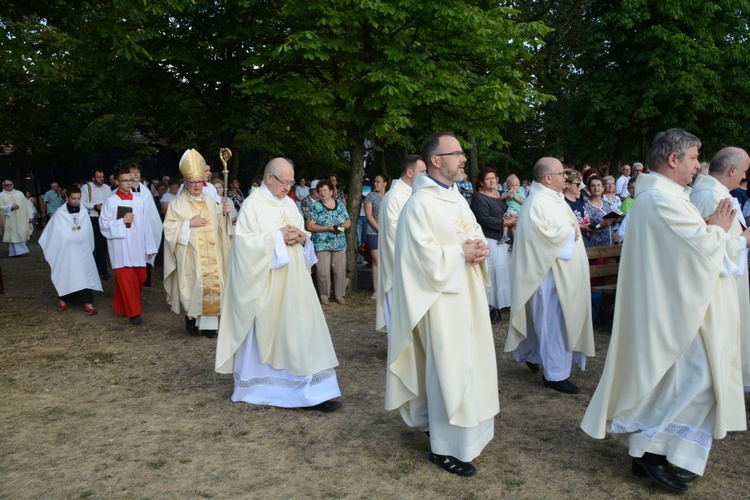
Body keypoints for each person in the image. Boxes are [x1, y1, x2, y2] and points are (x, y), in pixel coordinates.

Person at [581, 129, 750, 493]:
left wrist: (713, 231)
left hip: (678, 303)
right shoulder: (661, 198)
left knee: (680, 382)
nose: (697, 167)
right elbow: (702, 249)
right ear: (673, 159)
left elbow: (689, 244)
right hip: (675, 309)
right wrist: (721, 231)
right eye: (692, 159)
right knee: (699, 380)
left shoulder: (667, 195)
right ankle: (652, 452)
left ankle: (650, 449)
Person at [385, 132, 498, 477]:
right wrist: (459, 254)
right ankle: (444, 448)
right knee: (448, 370)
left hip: (467, 295)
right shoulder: (419, 204)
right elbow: (417, 257)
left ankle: (468, 434)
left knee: (470, 366)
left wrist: (478, 249)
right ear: (436, 160)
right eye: (457, 154)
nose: (464, 159)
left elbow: (470, 231)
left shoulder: (456, 198)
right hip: (440, 301)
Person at [214, 157, 342, 412]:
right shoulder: (253, 205)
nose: (288, 187)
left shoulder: (290, 203)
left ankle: (312, 391)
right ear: (269, 178)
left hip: (296, 285)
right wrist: (277, 238)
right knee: (277, 334)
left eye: (292, 182)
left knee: (303, 331)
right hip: (268, 286)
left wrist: (302, 238)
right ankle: (268, 388)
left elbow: (304, 237)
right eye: (285, 182)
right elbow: (244, 245)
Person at [506, 157, 595, 394]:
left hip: (563, 274)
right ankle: (555, 375)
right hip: (548, 276)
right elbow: (539, 237)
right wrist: (567, 233)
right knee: (553, 324)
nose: (565, 178)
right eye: (561, 174)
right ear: (548, 178)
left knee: (550, 323)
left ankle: (533, 355)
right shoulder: (536, 202)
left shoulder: (553, 199)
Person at [691, 146, 750, 392]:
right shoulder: (708, 197)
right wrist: (746, 239)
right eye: (744, 171)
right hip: (716, 288)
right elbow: (707, 249)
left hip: (731, 280)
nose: (744, 177)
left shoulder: (718, 193)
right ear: (733, 170)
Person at [164, 149, 233, 339]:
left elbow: (221, 227)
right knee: (195, 288)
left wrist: (225, 214)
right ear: (185, 183)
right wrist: (188, 224)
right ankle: (192, 320)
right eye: (192, 182)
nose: (196, 186)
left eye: (199, 182)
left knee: (213, 286)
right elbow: (169, 230)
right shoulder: (176, 205)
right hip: (191, 256)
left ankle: (210, 327)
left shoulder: (211, 202)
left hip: (212, 255)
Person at [99, 167, 158, 326]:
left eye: (130, 180)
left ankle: (120, 307)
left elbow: (146, 225)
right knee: (127, 281)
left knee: (140, 278)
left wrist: (150, 247)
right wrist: (121, 222)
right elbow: (103, 225)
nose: (128, 183)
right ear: (117, 182)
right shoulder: (110, 201)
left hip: (138, 246)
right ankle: (134, 314)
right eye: (125, 180)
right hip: (121, 247)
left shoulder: (138, 201)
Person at [375, 155, 426, 336]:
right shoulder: (394, 198)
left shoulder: (413, 194)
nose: (426, 175)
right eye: (422, 172)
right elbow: (394, 234)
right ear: (410, 172)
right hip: (400, 264)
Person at [39, 185, 102, 314]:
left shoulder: (83, 211)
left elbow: (87, 229)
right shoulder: (60, 213)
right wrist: (67, 237)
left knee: (85, 273)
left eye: (78, 198)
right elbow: (55, 232)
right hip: (66, 250)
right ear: (67, 198)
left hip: (82, 249)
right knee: (67, 273)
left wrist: (82, 238)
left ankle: (87, 301)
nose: (76, 201)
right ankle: (63, 297)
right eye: (73, 198)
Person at [470, 167, 516, 310]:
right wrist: (504, 223)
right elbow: (483, 219)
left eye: (494, 178)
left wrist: (512, 218)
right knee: (496, 272)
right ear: (482, 182)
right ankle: (495, 304)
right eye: (488, 178)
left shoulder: (501, 194)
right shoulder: (479, 197)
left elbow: (509, 208)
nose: (491, 181)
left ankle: (509, 302)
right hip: (491, 239)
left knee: (508, 271)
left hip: (506, 238)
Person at [306, 179, 351, 304]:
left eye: (325, 190)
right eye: (320, 191)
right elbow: (309, 226)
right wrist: (327, 228)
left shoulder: (340, 204)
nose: (322, 193)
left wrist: (343, 227)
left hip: (339, 243)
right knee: (322, 271)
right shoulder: (315, 207)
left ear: (331, 191)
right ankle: (324, 295)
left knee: (339, 269)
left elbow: (348, 221)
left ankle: (339, 294)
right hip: (321, 243)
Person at [129, 163, 163, 286]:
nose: (136, 174)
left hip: (144, 229)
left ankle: (144, 282)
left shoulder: (146, 192)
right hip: (130, 230)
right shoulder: (122, 191)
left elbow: (151, 212)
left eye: (137, 172)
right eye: (133, 171)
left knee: (145, 255)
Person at [81, 169, 113, 280]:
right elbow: (82, 201)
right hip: (92, 218)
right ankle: (96, 270)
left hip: (105, 219)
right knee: (94, 245)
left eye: (102, 176)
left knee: (103, 245)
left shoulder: (107, 188)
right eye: (99, 177)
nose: (101, 179)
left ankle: (102, 269)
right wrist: (94, 206)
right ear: (93, 178)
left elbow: (111, 201)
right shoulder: (86, 188)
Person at [363, 174, 389, 300]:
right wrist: (379, 229)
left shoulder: (390, 195)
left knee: (388, 259)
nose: (375, 183)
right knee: (376, 259)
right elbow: (368, 215)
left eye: (378, 181)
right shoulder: (370, 196)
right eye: (375, 181)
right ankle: (376, 289)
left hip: (389, 231)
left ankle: (387, 286)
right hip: (373, 231)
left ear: (385, 183)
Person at [1, 179, 34, 257]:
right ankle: (19, 252)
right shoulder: (1, 195)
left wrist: (30, 216)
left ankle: (15, 252)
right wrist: (10, 207)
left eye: (10, 184)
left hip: (21, 218)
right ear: (3, 186)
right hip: (10, 219)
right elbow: (0, 207)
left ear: (13, 185)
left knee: (22, 232)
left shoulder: (19, 193)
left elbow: (26, 205)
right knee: (13, 235)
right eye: (7, 185)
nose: (9, 186)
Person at [584, 175, 618, 247]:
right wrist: (601, 225)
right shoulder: (586, 206)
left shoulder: (606, 203)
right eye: (593, 186)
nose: (596, 188)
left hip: (611, 244)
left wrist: (615, 220)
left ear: (603, 188)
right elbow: (586, 229)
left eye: (598, 185)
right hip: (596, 247)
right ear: (589, 189)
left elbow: (610, 225)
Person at [500, 174, 525, 243]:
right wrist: (507, 195)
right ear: (508, 186)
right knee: (512, 227)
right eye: (512, 185)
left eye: (516, 185)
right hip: (510, 209)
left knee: (505, 219)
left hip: (516, 210)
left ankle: (504, 235)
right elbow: (500, 198)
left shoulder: (520, 193)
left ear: (519, 185)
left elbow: (523, 201)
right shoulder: (507, 192)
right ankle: (515, 243)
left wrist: (515, 196)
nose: (514, 187)